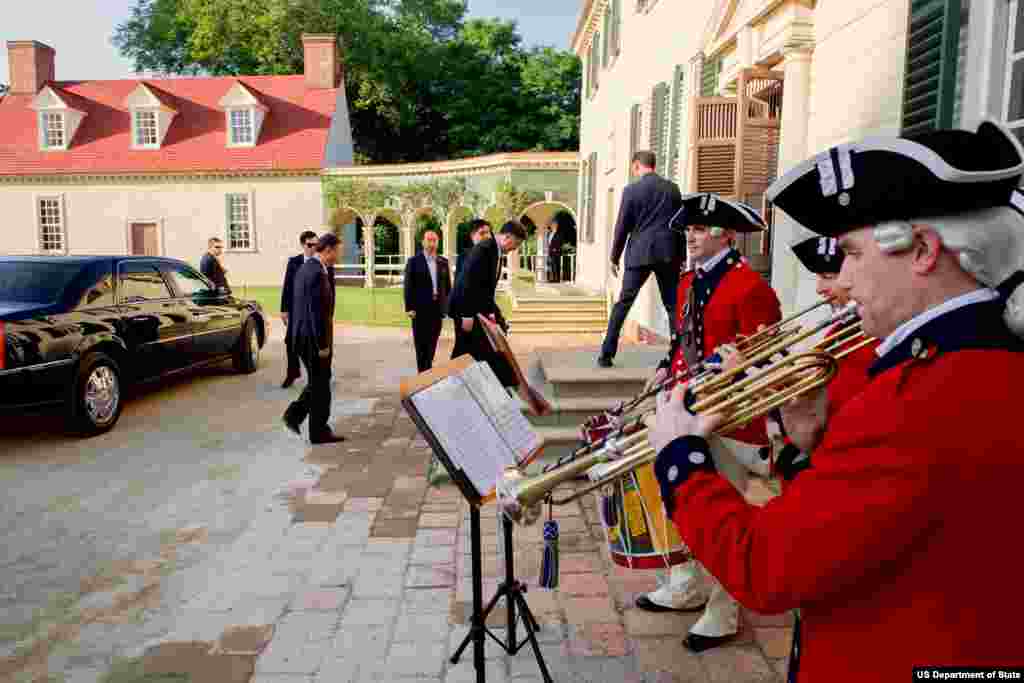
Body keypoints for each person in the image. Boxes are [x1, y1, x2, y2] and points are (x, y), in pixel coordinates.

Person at [649, 120, 1024, 681]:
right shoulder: (967, 362)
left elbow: (767, 569)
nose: (841, 278)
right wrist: (812, 444)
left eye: (850, 253)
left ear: (922, 250)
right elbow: (879, 527)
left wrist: (681, 458)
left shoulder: (919, 395)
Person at [633, 192, 781, 653]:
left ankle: (723, 610)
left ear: (726, 235)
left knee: (723, 512)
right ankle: (686, 585)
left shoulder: (752, 289)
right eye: (690, 229)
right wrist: (665, 367)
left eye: (699, 230)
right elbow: (683, 339)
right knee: (679, 501)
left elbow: (765, 360)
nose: (690, 237)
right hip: (686, 406)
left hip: (730, 418)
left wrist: (732, 377)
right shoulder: (686, 281)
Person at [598, 150, 684, 367]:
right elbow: (681, 223)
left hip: (640, 252)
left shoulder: (631, 190)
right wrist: (681, 255)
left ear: (637, 165)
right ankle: (678, 356)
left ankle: (606, 354)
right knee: (672, 304)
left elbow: (622, 226)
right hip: (667, 253)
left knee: (623, 303)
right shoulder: (672, 189)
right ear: (653, 165)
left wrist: (614, 257)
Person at [282, 233, 345, 445]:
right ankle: (318, 431)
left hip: (302, 336)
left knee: (319, 382)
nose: (339, 255)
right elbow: (316, 312)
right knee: (321, 386)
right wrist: (323, 345)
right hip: (312, 340)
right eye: (338, 251)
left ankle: (295, 416)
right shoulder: (316, 272)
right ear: (328, 250)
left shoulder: (308, 267)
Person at [448, 220, 526, 388]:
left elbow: (485, 287)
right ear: (507, 237)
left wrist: (491, 312)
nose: (515, 248)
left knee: (470, 349)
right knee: (469, 349)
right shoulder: (485, 249)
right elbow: (467, 281)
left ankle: (495, 384)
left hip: (475, 308)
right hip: (464, 309)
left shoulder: (494, 250)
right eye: (516, 243)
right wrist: (467, 314)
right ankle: (504, 383)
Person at [404, 229, 451, 372]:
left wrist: (448, 307)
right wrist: (409, 307)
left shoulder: (443, 262)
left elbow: (448, 287)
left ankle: (427, 372)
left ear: (438, 243)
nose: (432, 243)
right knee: (421, 346)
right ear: (423, 242)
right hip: (419, 310)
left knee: (432, 345)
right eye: (429, 240)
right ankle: (423, 375)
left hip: (437, 310)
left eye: (435, 240)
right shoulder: (413, 262)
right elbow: (408, 286)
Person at [280, 230, 320, 389]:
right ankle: (293, 372)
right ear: (303, 245)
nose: (314, 248)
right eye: (310, 245)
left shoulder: (321, 262)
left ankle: (318, 375)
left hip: (314, 311)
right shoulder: (294, 262)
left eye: (317, 245)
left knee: (313, 344)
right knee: (290, 341)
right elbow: (287, 286)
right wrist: (284, 309)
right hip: (296, 310)